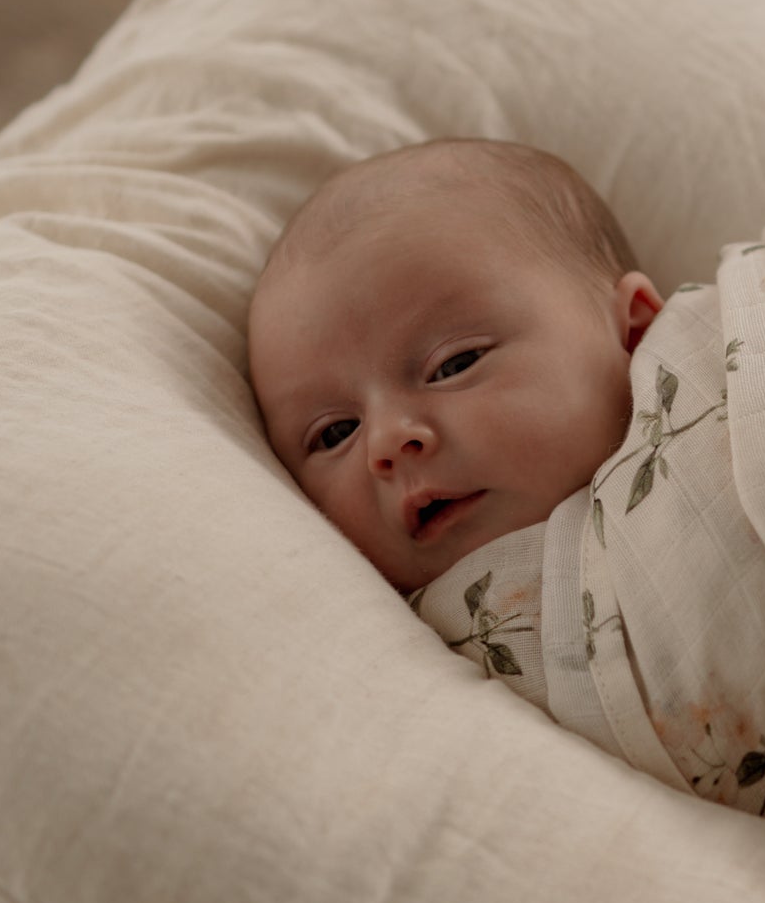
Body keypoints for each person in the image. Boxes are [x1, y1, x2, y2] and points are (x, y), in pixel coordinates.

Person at [248, 138, 662, 594]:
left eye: (453, 365)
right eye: (336, 433)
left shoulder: (733, 388)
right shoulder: (400, 639)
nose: (387, 441)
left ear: (634, 333)